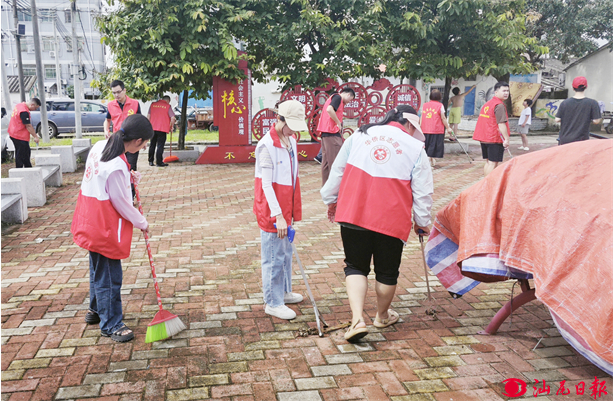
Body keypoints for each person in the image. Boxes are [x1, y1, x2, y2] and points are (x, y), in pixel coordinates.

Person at [321, 105, 433, 343]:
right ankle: (381, 316)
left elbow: (338, 170)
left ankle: (357, 320)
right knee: (387, 271)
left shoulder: (360, 135)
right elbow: (422, 192)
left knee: (355, 266)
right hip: (391, 218)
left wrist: (330, 199)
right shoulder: (416, 148)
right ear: (410, 124)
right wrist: (422, 222)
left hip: (354, 211)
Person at [72, 114, 153, 342]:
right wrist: (142, 222)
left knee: (98, 269)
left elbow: (103, 179)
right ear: (138, 141)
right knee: (109, 276)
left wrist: (128, 176)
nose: (144, 147)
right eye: (145, 144)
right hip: (105, 226)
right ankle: (111, 324)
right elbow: (121, 203)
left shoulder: (101, 145)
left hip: (89, 219)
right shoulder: (116, 164)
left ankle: (96, 310)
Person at [254, 100, 307, 320]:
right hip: (272, 209)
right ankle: (273, 302)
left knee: (285, 254)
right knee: (273, 256)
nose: (293, 130)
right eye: (290, 125)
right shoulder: (266, 146)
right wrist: (278, 215)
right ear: (279, 119)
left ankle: (283, 292)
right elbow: (266, 185)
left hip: (286, 205)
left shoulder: (291, 141)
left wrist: (289, 213)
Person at [104, 80, 142, 196]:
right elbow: (107, 120)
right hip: (117, 142)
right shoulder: (111, 105)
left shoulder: (135, 104)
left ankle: (130, 196)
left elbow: (140, 122)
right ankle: (120, 194)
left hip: (132, 141)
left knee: (131, 167)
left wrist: (142, 139)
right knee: (118, 168)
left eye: (119, 92)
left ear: (124, 90)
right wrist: (106, 130)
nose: (116, 95)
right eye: (114, 93)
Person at [316, 87, 356, 185]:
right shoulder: (338, 98)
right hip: (332, 133)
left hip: (326, 133)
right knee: (336, 161)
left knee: (326, 163)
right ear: (348, 94)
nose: (349, 102)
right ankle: (335, 186)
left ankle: (326, 186)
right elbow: (330, 109)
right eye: (350, 100)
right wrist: (338, 122)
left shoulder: (334, 98)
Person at [472, 82, 511, 177]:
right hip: (494, 138)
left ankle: (486, 181)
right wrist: (506, 139)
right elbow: (501, 124)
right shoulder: (499, 105)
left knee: (489, 162)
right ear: (496, 92)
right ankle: (488, 183)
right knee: (493, 163)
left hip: (485, 137)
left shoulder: (488, 104)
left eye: (507, 91)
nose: (506, 93)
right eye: (504, 91)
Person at [555, 76, 602, 145]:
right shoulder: (592, 103)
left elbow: (557, 119)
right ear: (586, 87)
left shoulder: (565, 103)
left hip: (565, 141)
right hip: (581, 141)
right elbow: (596, 121)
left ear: (573, 88)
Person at [420, 90, 453, 166]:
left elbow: (422, 117)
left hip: (425, 129)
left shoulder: (425, 105)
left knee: (427, 146)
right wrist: (448, 128)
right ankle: (427, 163)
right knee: (432, 146)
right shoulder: (440, 105)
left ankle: (431, 160)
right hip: (436, 130)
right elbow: (443, 118)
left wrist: (420, 126)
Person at [8, 98, 41, 168]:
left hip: (13, 132)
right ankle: (21, 170)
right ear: (32, 105)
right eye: (35, 108)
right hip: (19, 135)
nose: (35, 110)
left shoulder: (19, 105)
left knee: (24, 152)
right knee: (22, 154)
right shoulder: (24, 112)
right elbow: (28, 126)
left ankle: (28, 168)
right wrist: (35, 136)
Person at [147, 95, 176, 167]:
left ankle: (150, 161)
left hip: (152, 128)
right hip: (162, 129)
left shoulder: (153, 105)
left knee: (152, 144)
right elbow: (172, 118)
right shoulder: (168, 106)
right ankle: (159, 162)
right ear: (168, 101)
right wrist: (171, 127)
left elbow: (148, 116)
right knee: (160, 146)